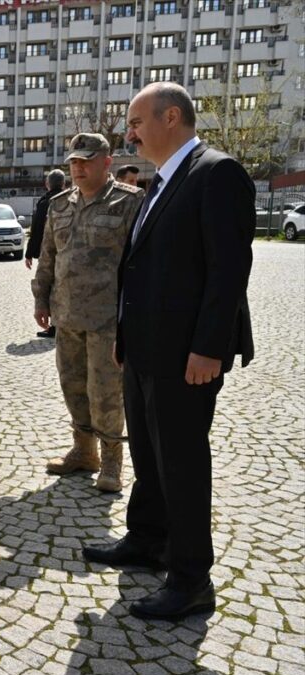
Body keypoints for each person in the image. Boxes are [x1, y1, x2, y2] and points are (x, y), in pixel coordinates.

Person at [83, 82, 255, 621]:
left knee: (181, 463)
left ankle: (190, 579)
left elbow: (228, 271)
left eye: (135, 122)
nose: (128, 132)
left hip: (187, 358)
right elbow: (142, 266)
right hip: (145, 350)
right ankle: (147, 539)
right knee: (150, 457)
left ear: (171, 117)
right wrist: (124, 336)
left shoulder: (216, 172)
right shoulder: (164, 179)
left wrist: (209, 348)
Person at [32, 133, 144, 493]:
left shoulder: (130, 202)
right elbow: (49, 257)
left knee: (106, 391)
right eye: (73, 162)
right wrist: (41, 299)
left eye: (86, 160)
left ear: (107, 162)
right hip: (66, 315)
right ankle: (84, 452)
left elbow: (140, 263)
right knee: (73, 387)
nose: (78, 167)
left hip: (108, 320)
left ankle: (112, 461)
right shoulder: (60, 204)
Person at [24, 168, 67, 338]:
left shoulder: (45, 202)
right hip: (66, 252)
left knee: (49, 288)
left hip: (49, 253)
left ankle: (54, 326)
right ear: (64, 184)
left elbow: (37, 230)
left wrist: (29, 253)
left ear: (47, 184)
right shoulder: (72, 200)